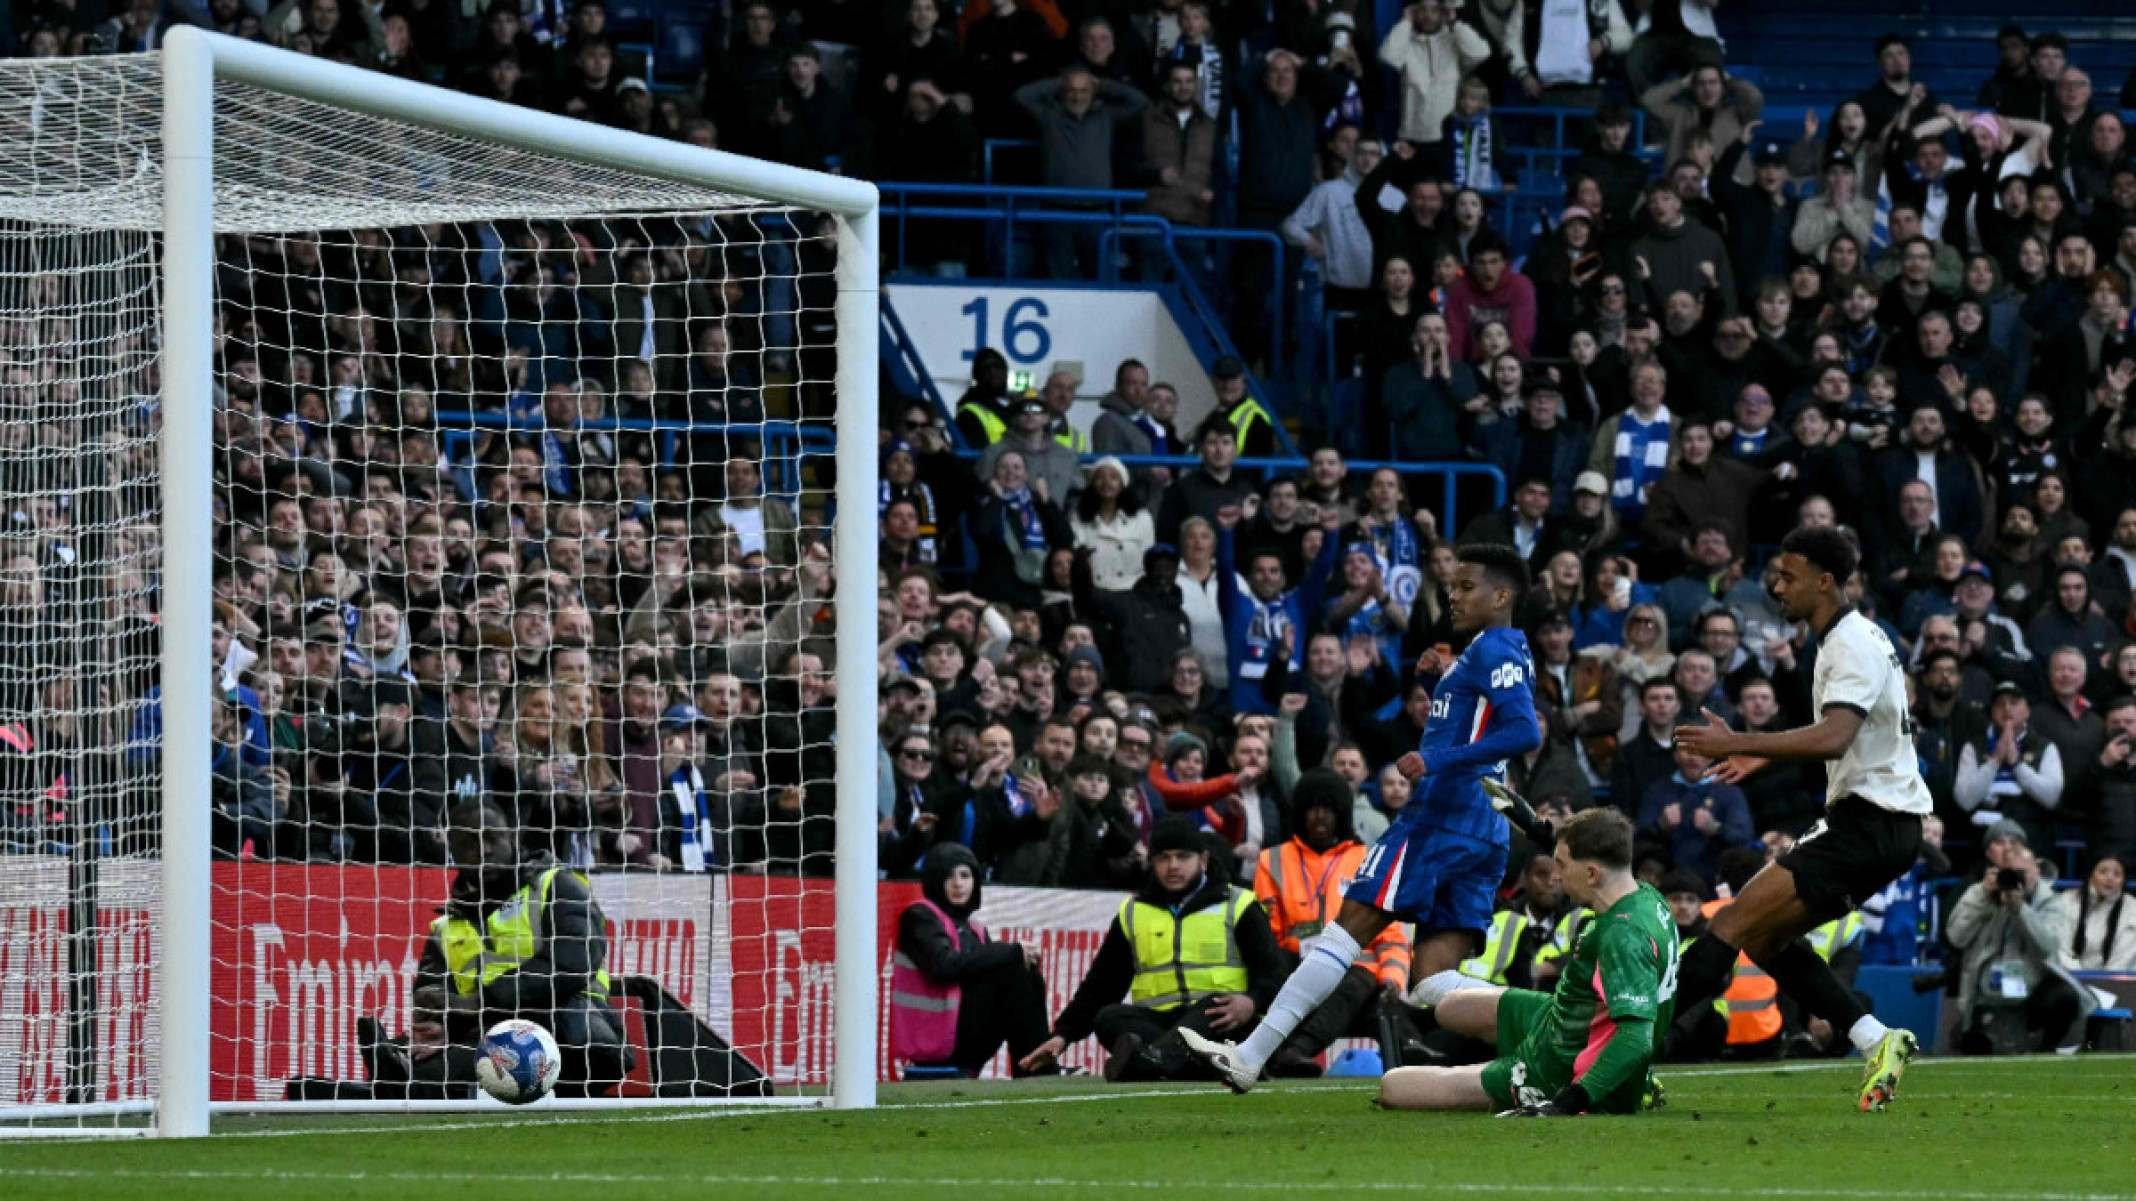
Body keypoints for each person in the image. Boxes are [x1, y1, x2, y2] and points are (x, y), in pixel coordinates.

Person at [1179, 543, 1542, 1091]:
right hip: (1480, 824)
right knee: (1432, 980)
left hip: (1440, 817)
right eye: (1452, 585)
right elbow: (1482, 723)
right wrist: (1437, 683)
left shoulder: (1494, 649)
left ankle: (1249, 1055)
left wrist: (1437, 760)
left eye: (1467, 586)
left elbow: (1524, 731)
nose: (1453, 595)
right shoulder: (1497, 651)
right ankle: (1558, 1021)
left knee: (1344, 934)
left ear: (1502, 596)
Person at [1673, 525, 1928, 1111]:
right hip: (1880, 824)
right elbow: (1847, 729)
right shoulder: (1848, 636)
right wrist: (1761, 755)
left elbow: (1835, 736)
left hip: (1869, 821)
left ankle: (1621, 1059)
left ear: (1825, 581)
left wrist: (1738, 740)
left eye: (1788, 576)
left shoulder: (1850, 644)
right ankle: (1876, 1039)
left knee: (1731, 922)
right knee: (1764, 936)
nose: (1777, 586)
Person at [1375, 808, 1675, 1115]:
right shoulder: (1646, 897)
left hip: (1561, 1066)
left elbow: (1636, 1039)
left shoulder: (1622, 935)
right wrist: (1546, 834)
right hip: (1567, 1017)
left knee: (1393, 1086)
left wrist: (1569, 1101)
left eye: (1561, 865)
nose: (1557, 877)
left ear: (1591, 874)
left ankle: (1607, 1077)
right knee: (1451, 1006)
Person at [367, 800, 632, 1097]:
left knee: (436, 1074)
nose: (483, 850)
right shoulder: (446, 927)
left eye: (491, 837)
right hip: (488, 1035)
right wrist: (439, 1025)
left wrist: (480, 1002)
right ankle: (398, 1071)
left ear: (512, 836)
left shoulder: (557, 885)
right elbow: (436, 994)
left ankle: (408, 1078)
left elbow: (573, 965)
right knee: (418, 1055)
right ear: (452, 851)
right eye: (468, 843)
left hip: (570, 1029)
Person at [1016, 816, 1286, 1081]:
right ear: (1152, 861)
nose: (1173, 866)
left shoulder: (1238, 904)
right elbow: (1101, 986)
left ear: (1203, 860)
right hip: (1159, 1022)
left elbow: (1274, 974)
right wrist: (1063, 1036)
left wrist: (1251, 1002)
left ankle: (1153, 1061)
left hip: (1223, 1020)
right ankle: (1179, 1064)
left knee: (1212, 1007)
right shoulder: (1134, 912)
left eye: (1182, 857)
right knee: (1109, 1017)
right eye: (1163, 858)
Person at [1251, 770, 1415, 1072]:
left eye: (1328, 808)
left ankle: (1292, 1051)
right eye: (1312, 808)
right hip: (1295, 963)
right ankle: (1410, 1050)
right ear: (1299, 813)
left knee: (1370, 988)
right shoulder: (1271, 859)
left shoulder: (1368, 857)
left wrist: (1393, 976)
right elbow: (1267, 934)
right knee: (1356, 989)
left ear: (1342, 813)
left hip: (1356, 968)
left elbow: (1390, 933)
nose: (1320, 816)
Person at [890, 843, 1054, 1076]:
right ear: (935, 880)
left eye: (965, 876)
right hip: (935, 1037)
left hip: (963, 1034)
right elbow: (943, 965)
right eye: (949, 876)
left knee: (1025, 974)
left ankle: (1036, 1066)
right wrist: (1009, 951)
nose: (958, 884)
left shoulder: (975, 929)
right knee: (1013, 968)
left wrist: (1016, 957)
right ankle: (1038, 1070)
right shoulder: (919, 916)